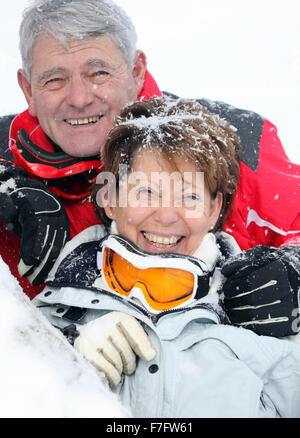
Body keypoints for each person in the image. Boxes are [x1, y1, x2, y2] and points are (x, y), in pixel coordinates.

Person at [0, 0, 299, 338]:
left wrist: (294, 273)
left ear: (136, 70)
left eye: (98, 73)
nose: (79, 98)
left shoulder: (229, 142)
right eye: (55, 79)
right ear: (28, 89)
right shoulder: (6, 160)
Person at [35, 97, 300, 418]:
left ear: (214, 210)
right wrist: (64, 350)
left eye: (189, 196)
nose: (165, 216)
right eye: (146, 192)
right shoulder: (38, 324)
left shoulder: (266, 320)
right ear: (111, 199)